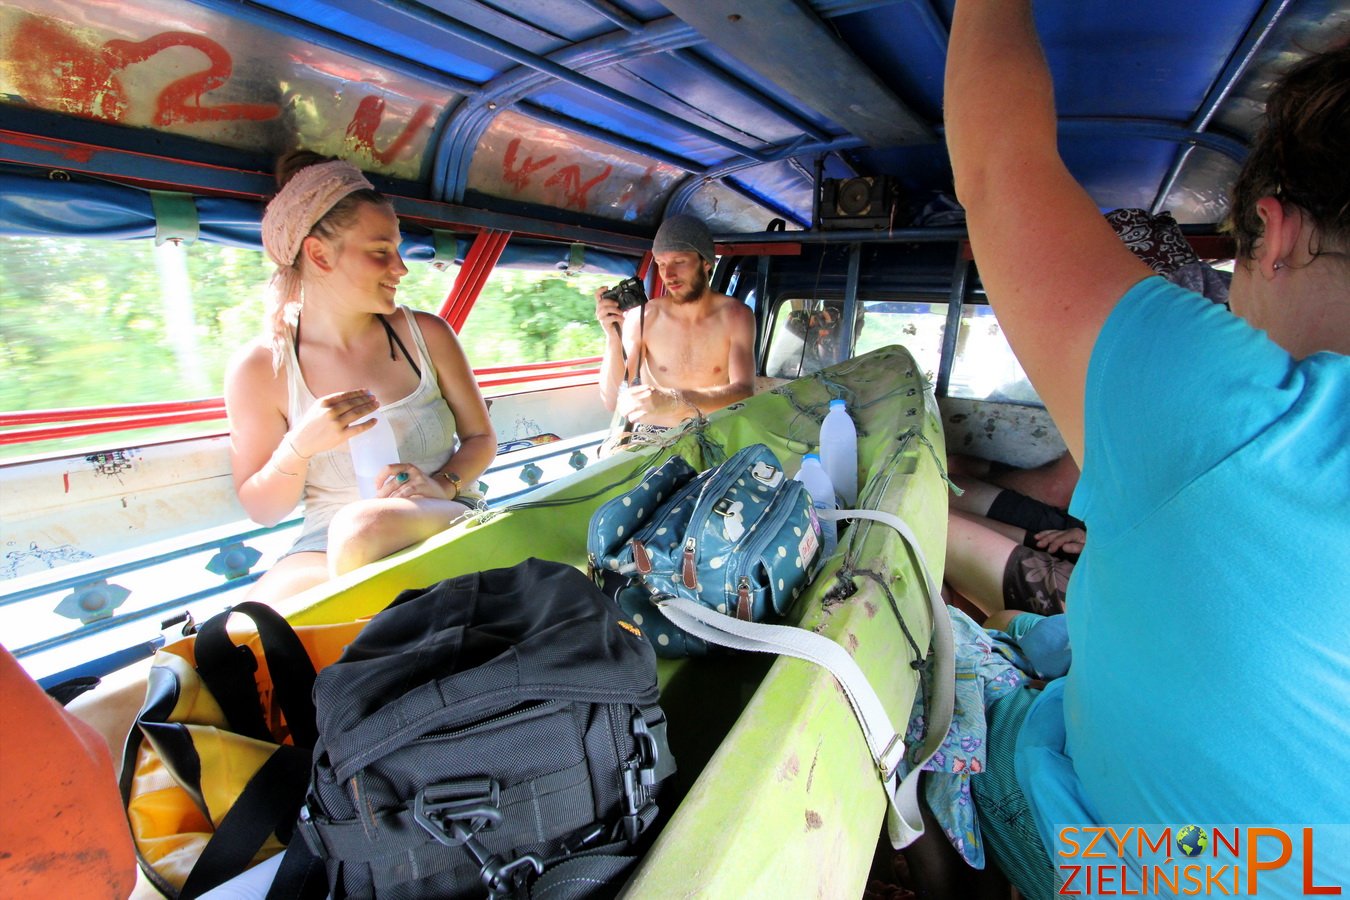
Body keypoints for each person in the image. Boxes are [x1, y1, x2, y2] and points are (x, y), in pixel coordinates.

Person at [946, 4, 1349, 896]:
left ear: (1277, 234)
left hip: (1138, 871)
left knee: (927, 661)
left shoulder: (1247, 410)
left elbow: (998, 164)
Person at [225, 151, 496, 603]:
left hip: (441, 513)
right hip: (325, 541)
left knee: (362, 527)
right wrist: (298, 447)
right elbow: (263, 510)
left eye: (398, 250)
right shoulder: (260, 369)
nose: (401, 268)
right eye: (381, 252)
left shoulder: (427, 335)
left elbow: (481, 438)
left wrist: (442, 483)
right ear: (319, 255)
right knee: (248, 624)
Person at [594, 214, 755, 443]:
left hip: (710, 434)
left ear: (706, 262)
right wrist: (612, 338)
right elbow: (611, 400)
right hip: (652, 438)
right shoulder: (643, 318)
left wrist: (674, 399)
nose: (668, 275)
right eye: (661, 264)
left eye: (679, 261)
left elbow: (744, 391)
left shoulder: (736, 316)